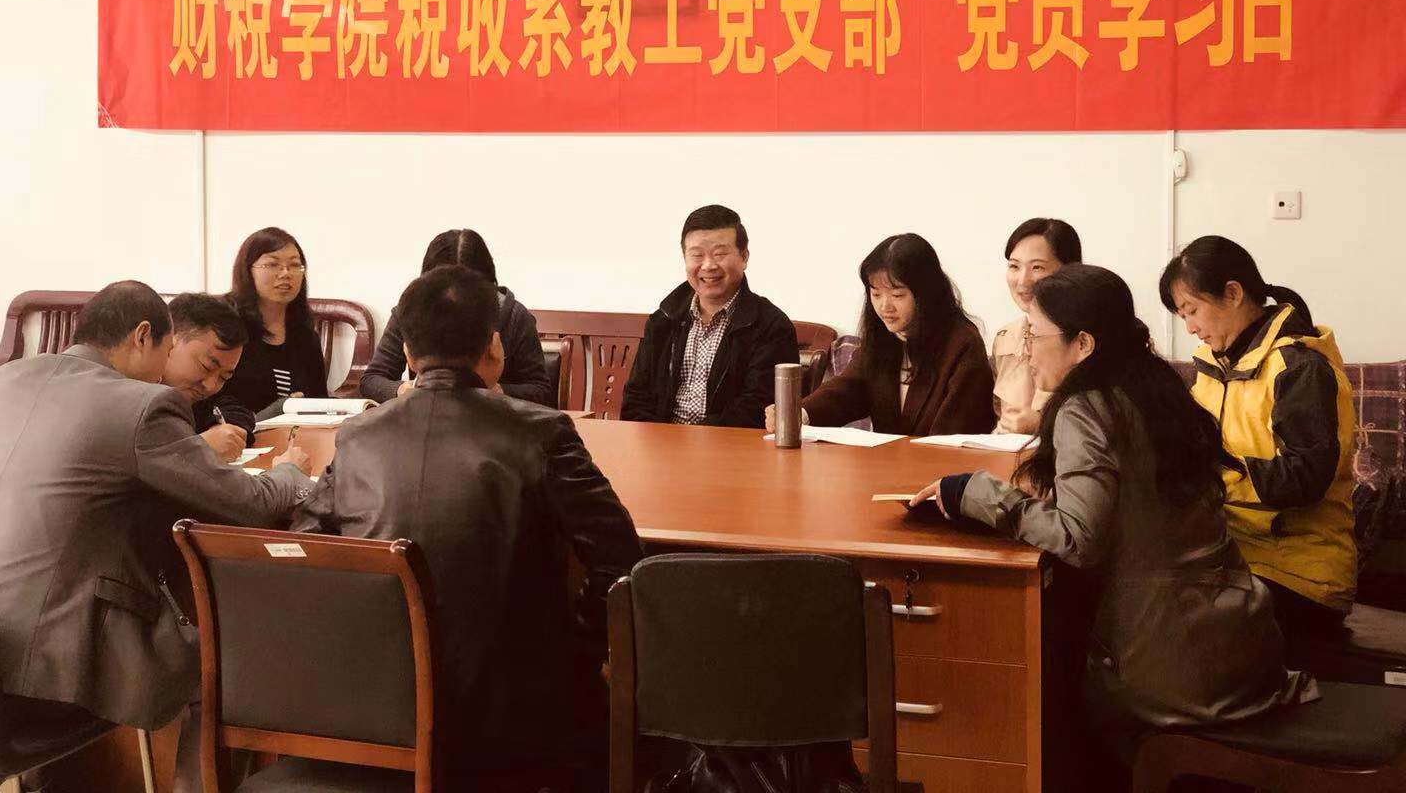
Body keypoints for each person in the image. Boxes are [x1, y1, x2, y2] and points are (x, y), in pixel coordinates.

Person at [914, 265, 1315, 785]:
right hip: (1240, 649)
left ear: (1082, 344)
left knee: (1028, 665)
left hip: (1165, 672)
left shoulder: (1084, 408)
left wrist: (974, 493)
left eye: (1035, 336)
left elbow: (1079, 539)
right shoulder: (1158, 390)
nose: (1027, 352)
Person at [294, 265, 643, 777]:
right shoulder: (541, 431)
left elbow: (306, 544)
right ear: (494, 346)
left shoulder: (357, 435)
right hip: (514, 707)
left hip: (379, 702)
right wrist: (584, 646)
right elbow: (620, 558)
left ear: (407, 354)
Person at [0, 281, 312, 732]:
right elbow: (251, 505)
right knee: (228, 662)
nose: (164, 369)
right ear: (143, 336)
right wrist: (291, 472)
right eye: (166, 351)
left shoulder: (5, 382)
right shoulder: (142, 404)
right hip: (45, 678)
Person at [1160, 236, 1357, 652]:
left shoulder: (1300, 368)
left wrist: (1208, 477)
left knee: (1166, 622)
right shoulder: (1215, 367)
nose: (1190, 327)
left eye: (1192, 310)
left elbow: (1303, 478)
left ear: (1233, 294)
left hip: (1299, 573)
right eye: (1182, 316)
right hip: (1231, 553)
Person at [773, 234, 994, 438]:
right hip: (887, 464)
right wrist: (800, 413)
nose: (884, 306)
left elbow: (956, 432)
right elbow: (849, 389)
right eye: (876, 294)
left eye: (897, 295)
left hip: (940, 465)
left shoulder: (963, 344)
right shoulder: (883, 336)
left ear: (926, 294)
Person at [622, 204, 798, 428]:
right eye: (697, 255)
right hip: (661, 442)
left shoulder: (771, 326)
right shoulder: (663, 320)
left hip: (729, 444)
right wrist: (659, 441)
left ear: (744, 257)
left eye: (720, 254)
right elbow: (635, 400)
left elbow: (758, 408)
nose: (708, 265)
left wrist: (697, 440)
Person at [359, 228, 552, 405]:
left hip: (497, 421)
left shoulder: (514, 316)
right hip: (427, 416)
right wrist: (404, 390)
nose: (456, 296)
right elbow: (372, 379)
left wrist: (498, 391)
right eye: (442, 286)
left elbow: (541, 390)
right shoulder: (411, 312)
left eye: (469, 287)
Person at [991, 218, 1081, 436]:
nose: (1023, 281)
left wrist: (1043, 423)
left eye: (1037, 267)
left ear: (1070, 270)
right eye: (1014, 266)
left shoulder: (1084, 337)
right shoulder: (1006, 337)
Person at [226, 226, 329, 413]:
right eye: (272, 264)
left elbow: (319, 399)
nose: (285, 273)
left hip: (295, 430)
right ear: (247, 271)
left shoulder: (305, 335)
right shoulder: (226, 324)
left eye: (295, 265)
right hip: (236, 428)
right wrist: (279, 409)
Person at [164, 292, 256, 456]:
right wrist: (198, 447)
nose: (210, 385)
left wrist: (223, 432)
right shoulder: (130, 393)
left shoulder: (195, 397)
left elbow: (235, 409)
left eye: (224, 377)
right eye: (206, 367)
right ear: (170, 341)